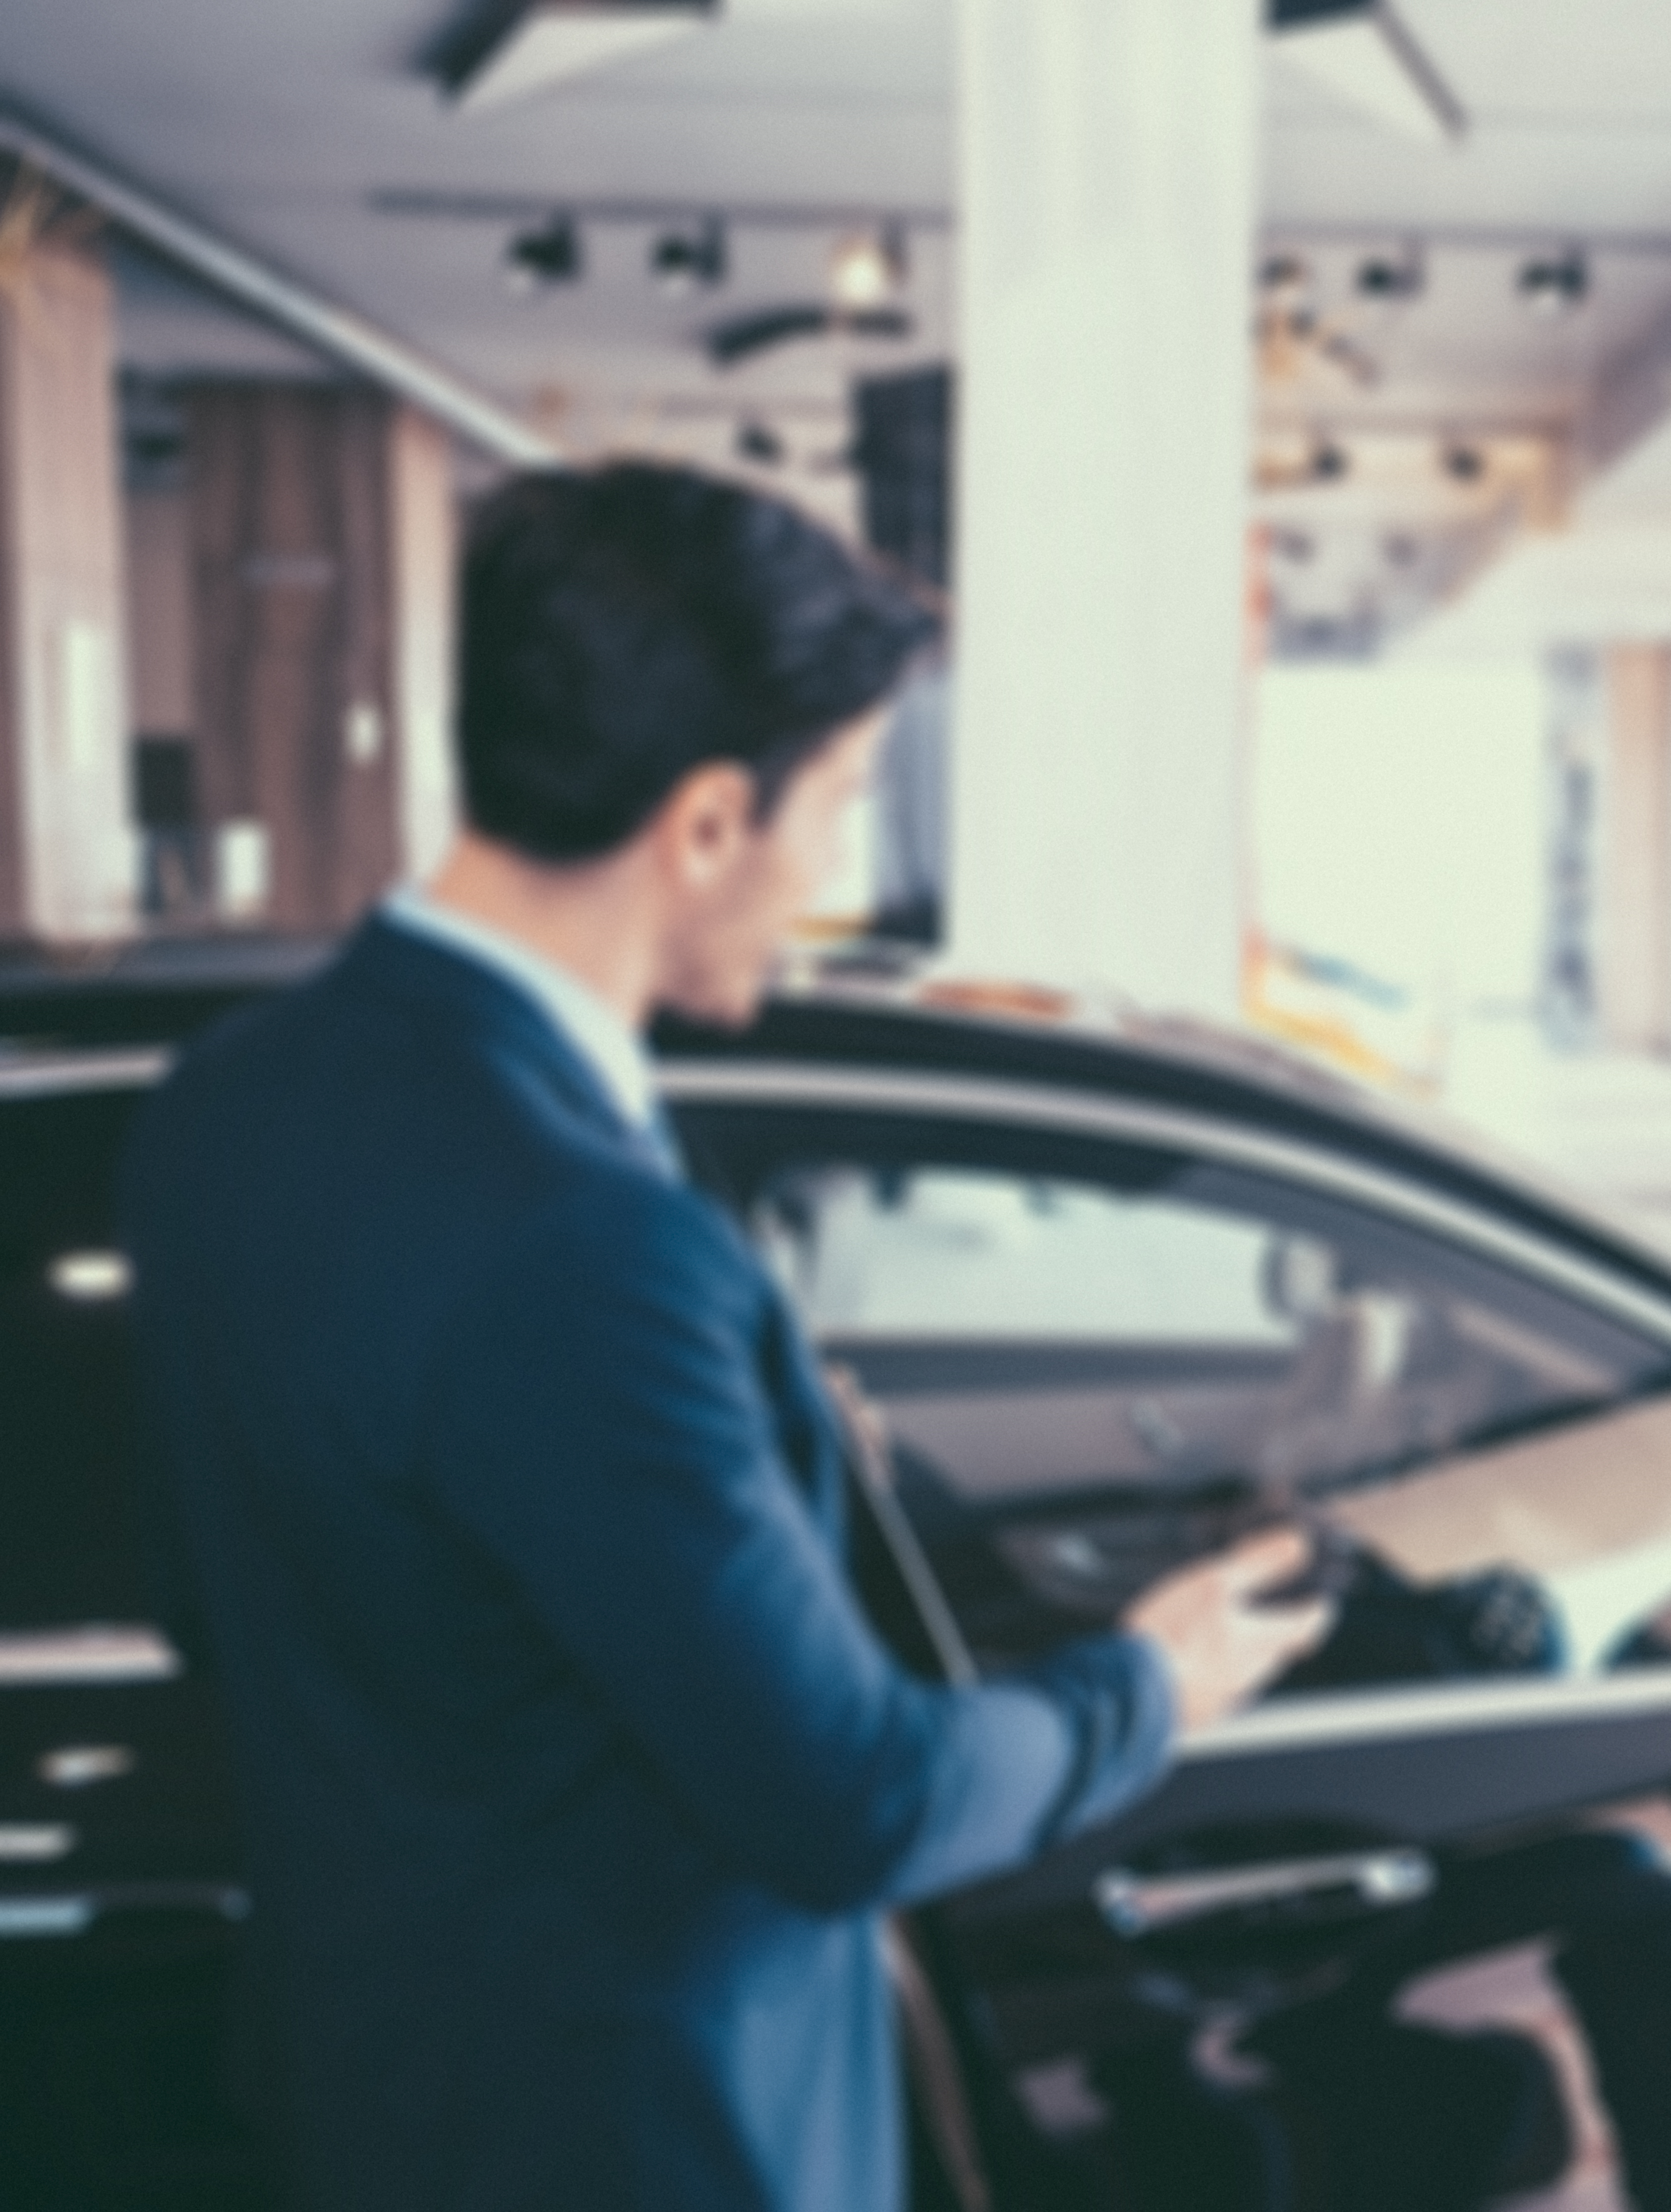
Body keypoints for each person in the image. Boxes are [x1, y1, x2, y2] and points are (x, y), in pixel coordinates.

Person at [119, 462, 1331, 2211]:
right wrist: (1151, 1687)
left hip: (365, 2093)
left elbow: (213, 1588)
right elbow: (859, 1801)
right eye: (830, 808)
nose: (831, 874)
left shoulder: (224, 1105)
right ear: (700, 824)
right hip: (635, 2143)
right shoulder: (587, 1244)